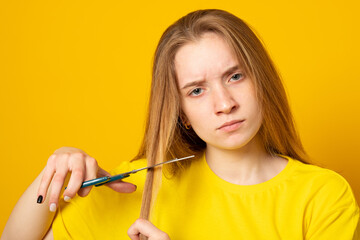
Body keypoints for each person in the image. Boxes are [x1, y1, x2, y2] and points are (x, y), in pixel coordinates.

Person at [2, 9, 359, 240]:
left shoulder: (322, 196)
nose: (224, 103)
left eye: (235, 76)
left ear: (261, 80)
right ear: (181, 112)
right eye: (197, 90)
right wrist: (52, 174)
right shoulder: (140, 187)